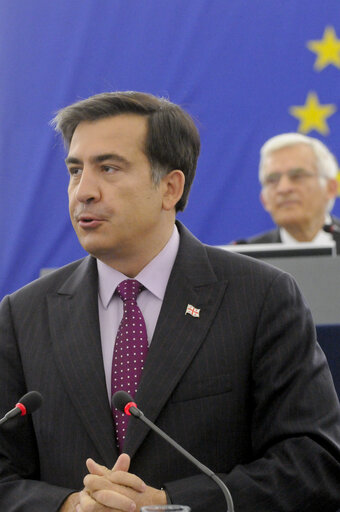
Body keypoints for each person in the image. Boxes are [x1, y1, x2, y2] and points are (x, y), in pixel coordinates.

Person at [0, 92, 339, 512]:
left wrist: (171, 504)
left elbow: (314, 463)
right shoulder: (22, 315)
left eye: (108, 168)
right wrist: (68, 506)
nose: (83, 191)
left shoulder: (261, 298)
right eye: (75, 170)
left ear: (170, 187)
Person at [234, 133, 340, 251]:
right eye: (273, 180)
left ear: (331, 188)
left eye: (297, 176)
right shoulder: (243, 259)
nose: (283, 189)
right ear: (264, 199)